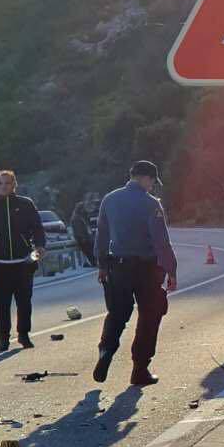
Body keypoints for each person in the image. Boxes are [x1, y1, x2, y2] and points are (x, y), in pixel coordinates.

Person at [92, 161, 177, 387]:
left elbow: (101, 236)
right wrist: (171, 270)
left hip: (117, 265)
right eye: (152, 182)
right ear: (147, 178)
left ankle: (106, 349)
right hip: (147, 268)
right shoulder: (152, 204)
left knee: (118, 313)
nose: (152, 187)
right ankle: (140, 369)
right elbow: (162, 242)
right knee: (150, 315)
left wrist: (102, 265)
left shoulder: (109, 199)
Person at [0, 169, 46, 352]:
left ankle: (24, 335)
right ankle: (3, 339)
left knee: (24, 301)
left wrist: (40, 246)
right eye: (0, 183)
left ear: (14, 185)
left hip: (23, 263)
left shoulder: (26, 204)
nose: (3, 186)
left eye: (7, 183)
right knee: (2, 304)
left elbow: (37, 228)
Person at [70, 196, 97, 266]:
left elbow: (87, 227)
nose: (84, 209)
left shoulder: (82, 216)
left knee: (92, 250)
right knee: (89, 251)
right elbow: (78, 230)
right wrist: (82, 237)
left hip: (87, 237)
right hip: (82, 239)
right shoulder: (76, 218)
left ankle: (95, 262)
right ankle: (94, 262)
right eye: (82, 208)